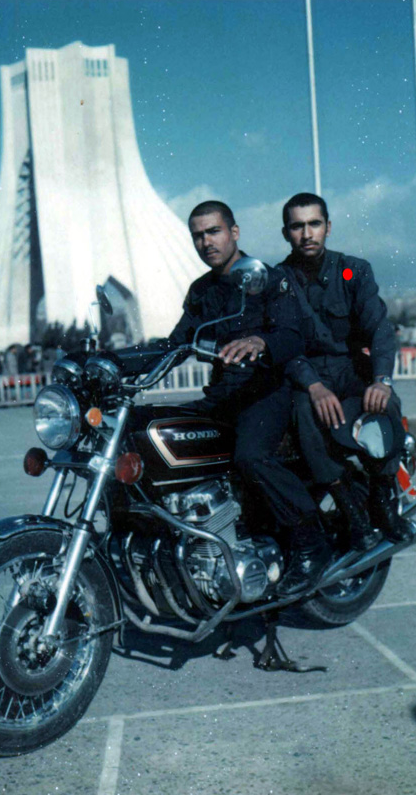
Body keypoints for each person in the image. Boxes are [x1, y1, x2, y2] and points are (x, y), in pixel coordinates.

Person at [167, 200, 331, 596]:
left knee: (250, 457)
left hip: (266, 392)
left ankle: (311, 540)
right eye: (198, 235)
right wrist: (115, 361)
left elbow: (293, 336)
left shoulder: (270, 279)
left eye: (214, 231)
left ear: (234, 232)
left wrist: (261, 342)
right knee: (162, 434)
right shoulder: (202, 290)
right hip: (223, 394)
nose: (206, 242)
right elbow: (176, 343)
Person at [277, 192, 412, 551]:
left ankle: (383, 497)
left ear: (328, 227)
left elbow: (379, 329)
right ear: (286, 233)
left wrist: (381, 380)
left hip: (350, 368)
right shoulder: (278, 281)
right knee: (304, 414)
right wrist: (313, 385)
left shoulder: (353, 271)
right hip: (309, 374)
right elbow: (283, 344)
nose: (307, 233)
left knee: (387, 403)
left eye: (314, 224)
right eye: (297, 226)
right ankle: (351, 511)